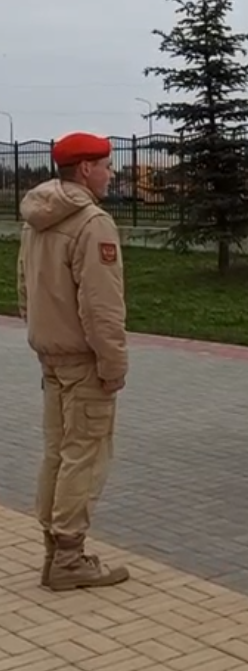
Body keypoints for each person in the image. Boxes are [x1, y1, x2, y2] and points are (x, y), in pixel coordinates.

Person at [17, 132, 129, 590]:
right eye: (106, 165)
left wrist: (42, 336)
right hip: (84, 359)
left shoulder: (36, 217)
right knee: (85, 454)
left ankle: (54, 551)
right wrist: (113, 364)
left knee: (57, 452)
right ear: (85, 169)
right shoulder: (91, 223)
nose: (111, 173)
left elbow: (24, 287)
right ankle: (68, 557)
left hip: (51, 355)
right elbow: (101, 306)